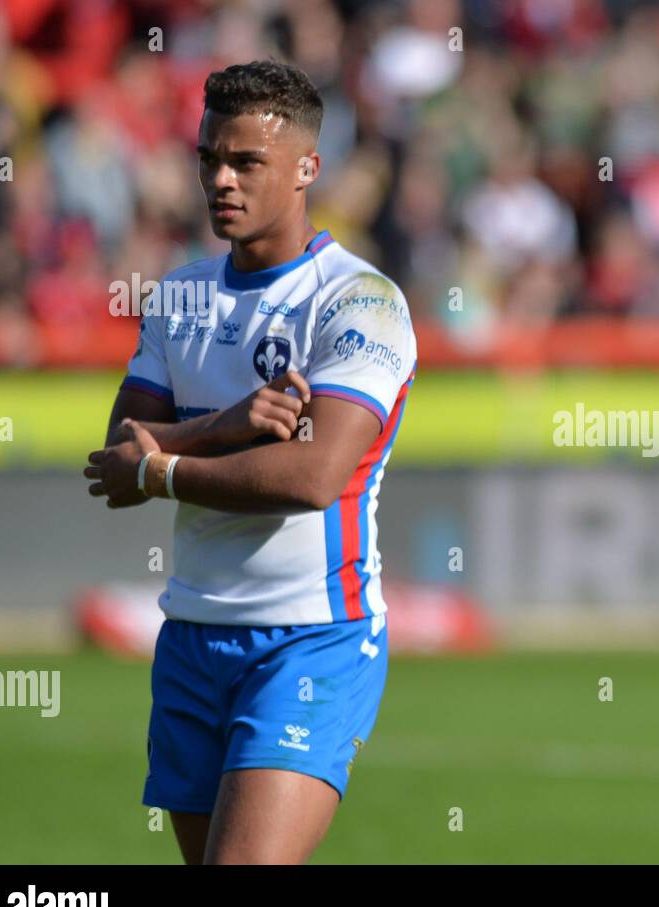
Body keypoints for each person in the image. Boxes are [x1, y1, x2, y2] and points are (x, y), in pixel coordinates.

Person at [83, 60, 417, 864]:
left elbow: (312, 477)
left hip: (311, 635)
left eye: (245, 162)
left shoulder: (359, 300)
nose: (220, 180)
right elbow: (113, 464)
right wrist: (227, 427)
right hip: (193, 631)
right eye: (209, 159)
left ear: (308, 167)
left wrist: (164, 463)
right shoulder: (180, 296)